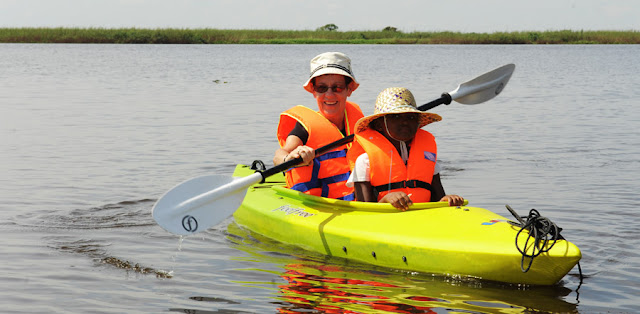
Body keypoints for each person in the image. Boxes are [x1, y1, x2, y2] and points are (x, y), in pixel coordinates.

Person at [346, 87, 464, 210]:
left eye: (411, 117)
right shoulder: (364, 161)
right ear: (379, 125)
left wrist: (446, 201)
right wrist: (385, 200)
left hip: (423, 221)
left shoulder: (427, 156)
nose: (405, 122)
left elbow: (438, 199)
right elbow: (364, 211)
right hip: (383, 224)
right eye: (396, 117)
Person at [273, 52, 364, 200]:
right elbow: (279, 155)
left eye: (338, 88)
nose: (329, 94)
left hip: (358, 200)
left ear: (349, 90)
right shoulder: (303, 128)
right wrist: (289, 158)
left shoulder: (359, 122)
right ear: (314, 91)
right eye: (322, 88)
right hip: (317, 203)